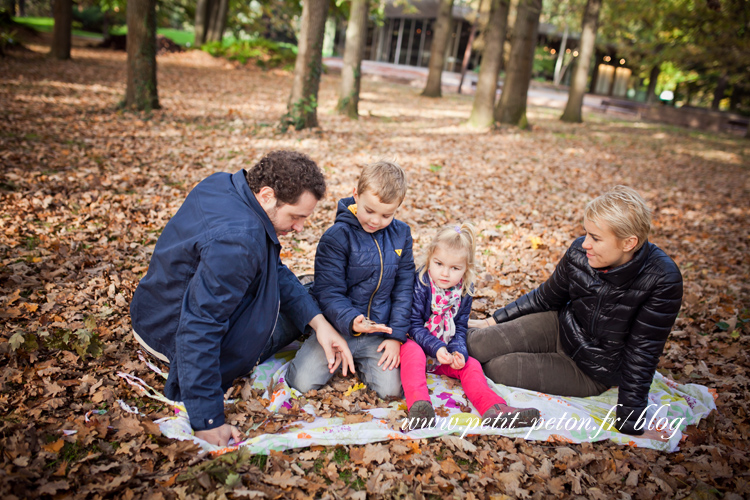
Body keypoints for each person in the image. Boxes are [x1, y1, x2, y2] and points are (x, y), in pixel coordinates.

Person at [130, 151, 355, 447]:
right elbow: (200, 325)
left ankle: (317, 313)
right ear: (266, 195)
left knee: (302, 295)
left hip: (151, 314)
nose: (299, 228)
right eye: (296, 217)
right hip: (172, 335)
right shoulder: (240, 240)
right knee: (304, 297)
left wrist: (319, 323)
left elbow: (270, 267)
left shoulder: (224, 186)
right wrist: (208, 421)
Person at [466, 186, 683, 441]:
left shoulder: (662, 280)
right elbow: (545, 297)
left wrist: (629, 422)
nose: (586, 244)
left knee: (498, 368)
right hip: (560, 327)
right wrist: (491, 321)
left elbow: (642, 352)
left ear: (628, 243)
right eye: (586, 233)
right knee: (476, 344)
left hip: (591, 369)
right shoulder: (580, 251)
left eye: (596, 238)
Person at [286, 160, 415, 398]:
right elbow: (328, 291)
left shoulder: (402, 235)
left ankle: (361, 362)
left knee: (391, 391)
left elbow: (404, 288)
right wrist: (351, 319)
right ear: (356, 195)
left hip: (378, 331)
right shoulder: (337, 237)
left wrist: (396, 335)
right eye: (369, 210)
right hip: (338, 326)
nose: (376, 221)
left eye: (387, 214)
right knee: (301, 382)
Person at [401, 223, 540, 429]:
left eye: (455, 268)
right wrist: (435, 347)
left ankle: (494, 409)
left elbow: (460, 327)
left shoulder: (463, 291)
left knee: (472, 365)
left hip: (443, 352)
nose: (445, 273)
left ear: (466, 269)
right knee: (413, 353)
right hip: (418, 345)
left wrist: (458, 351)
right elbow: (412, 325)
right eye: (438, 264)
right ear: (430, 257)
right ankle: (420, 408)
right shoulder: (421, 283)